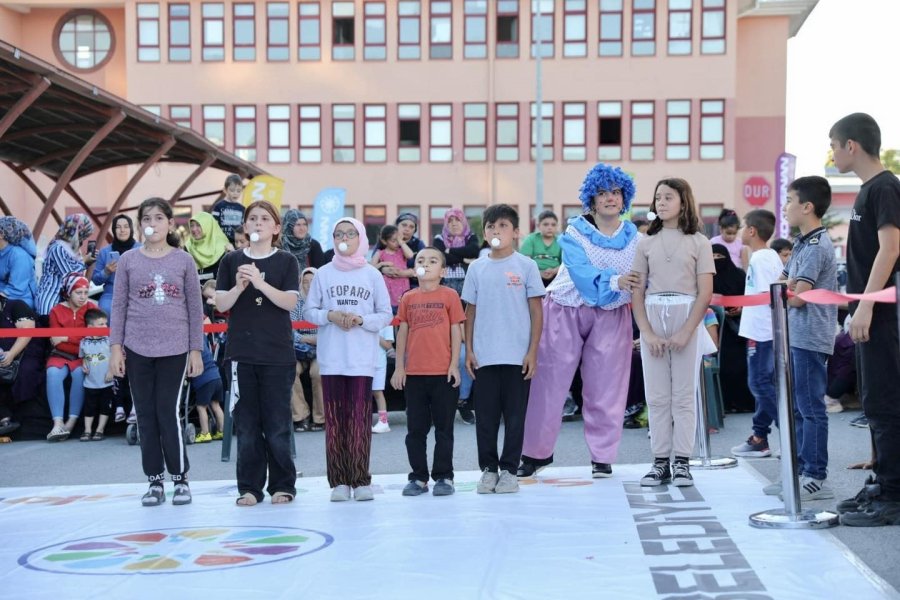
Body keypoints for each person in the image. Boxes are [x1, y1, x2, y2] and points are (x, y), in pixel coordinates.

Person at [518, 164, 639, 480]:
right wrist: (617, 280)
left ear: (624, 197)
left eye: (615, 192)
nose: (610, 198)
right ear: (592, 199)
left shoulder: (635, 238)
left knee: (607, 385)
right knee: (548, 384)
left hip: (613, 315)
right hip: (565, 309)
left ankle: (602, 456)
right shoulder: (574, 233)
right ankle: (536, 453)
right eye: (602, 193)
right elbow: (582, 275)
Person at [827, 113, 900, 526]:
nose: (833, 152)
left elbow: (890, 249)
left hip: (883, 314)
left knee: (886, 400)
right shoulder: (867, 190)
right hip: (868, 312)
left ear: (851, 145)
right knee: (873, 399)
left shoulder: (886, 187)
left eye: (834, 144)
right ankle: (882, 477)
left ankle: (892, 495)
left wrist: (867, 305)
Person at [109, 197, 205, 508]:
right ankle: (154, 481)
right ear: (140, 225)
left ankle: (180, 478)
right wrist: (115, 350)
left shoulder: (183, 261)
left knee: (167, 412)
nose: (153, 223)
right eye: (147, 218)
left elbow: (194, 308)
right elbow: (119, 307)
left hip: (175, 348)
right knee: (145, 416)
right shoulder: (128, 262)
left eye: (159, 218)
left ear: (169, 223)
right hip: (137, 348)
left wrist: (195, 350)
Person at [216, 200, 300, 506]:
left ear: (276, 228)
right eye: (253, 219)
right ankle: (249, 487)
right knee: (247, 424)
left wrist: (261, 283)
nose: (258, 223)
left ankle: (283, 485)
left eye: (265, 219)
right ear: (245, 226)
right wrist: (239, 287)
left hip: (277, 353)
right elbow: (221, 304)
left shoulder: (286, 261)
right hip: (241, 353)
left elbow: (289, 303)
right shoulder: (231, 261)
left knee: (277, 424)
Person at [632, 178, 715, 487]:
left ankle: (682, 461)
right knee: (656, 396)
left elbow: (705, 292)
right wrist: (647, 332)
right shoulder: (645, 242)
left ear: (684, 201)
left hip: (687, 316)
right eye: (658, 197)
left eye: (669, 197)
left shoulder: (699, 242)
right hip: (653, 316)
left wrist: (687, 330)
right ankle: (659, 462)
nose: (662, 202)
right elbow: (637, 292)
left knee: (683, 394)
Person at [304, 218, 393, 502]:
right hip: (331, 357)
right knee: (334, 420)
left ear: (361, 237)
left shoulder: (371, 275)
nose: (344, 238)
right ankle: (339, 481)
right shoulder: (323, 274)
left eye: (350, 233)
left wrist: (360, 320)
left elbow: (385, 314)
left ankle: (360, 478)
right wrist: (330, 316)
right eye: (339, 233)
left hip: (361, 358)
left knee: (358, 420)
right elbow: (309, 311)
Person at [462, 204, 544, 495]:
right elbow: (469, 312)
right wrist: (469, 350)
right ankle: (488, 469)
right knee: (484, 417)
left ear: (516, 231)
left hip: (517, 356)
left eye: (502, 226)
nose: (496, 231)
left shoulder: (526, 266)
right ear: (484, 232)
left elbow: (536, 311)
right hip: (484, 356)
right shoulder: (476, 267)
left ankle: (509, 470)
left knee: (515, 417)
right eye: (490, 227)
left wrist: (533, 351)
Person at [774, 175, 838, 502]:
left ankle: (815, 475)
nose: (785, 207)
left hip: (810, 335)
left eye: (789, 201)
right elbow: (781, 283)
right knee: (799, 408)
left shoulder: (815, 245)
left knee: (811, 408)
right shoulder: (801, 243)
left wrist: (788, 289)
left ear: (807, 206)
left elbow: (797, 297)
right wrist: (788, 288)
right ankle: (799, 472)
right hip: (797, 334)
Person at [392, 247, 465, 496]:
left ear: (442, 271)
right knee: (415, 431)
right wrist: (400, 367)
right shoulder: (408, 298)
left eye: (433, 261)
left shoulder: (451, 295)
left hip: (443, 374)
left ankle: (444, 476)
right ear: (415, 268)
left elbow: (456, 331)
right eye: (421, 260)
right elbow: (402, 332)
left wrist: (454, 364)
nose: (426, 264)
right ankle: (418, 477)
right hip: (415, 375)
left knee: (444, 430)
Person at [730, 210, 785, 460]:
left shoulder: (760, 258)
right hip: (763, 328)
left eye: (743, 226)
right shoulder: (768, 256)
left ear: (752, 231)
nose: (741, 231)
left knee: (759, 383)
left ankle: (788, 431)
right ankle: (759, 437)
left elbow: (767, 296)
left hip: (762, 331)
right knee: (765, 384)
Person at [45, 274, 97, 441]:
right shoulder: (56, 311)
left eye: (85, 292)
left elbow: (93, 338)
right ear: (68, 293)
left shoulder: (92, 309)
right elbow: (56, 343)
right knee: (52, 373)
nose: (83, 297)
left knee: (79, 374)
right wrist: (79, 339)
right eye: (78, 292)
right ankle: (58, 424)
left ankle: (71, 421)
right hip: (60, 355)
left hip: (85, 356)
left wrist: (67, 337)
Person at [711, 243, 755, 413]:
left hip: (737, 329)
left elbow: (749, 297)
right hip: (715, 328)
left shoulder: (738, 275)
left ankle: (743, 402)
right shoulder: (705, 277)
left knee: (740, 365)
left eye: (719, 258)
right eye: (712, 258)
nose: (716, 261)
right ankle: (724, 403)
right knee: (723, 365)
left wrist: (740, 309)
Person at [0, 292, 42, 437]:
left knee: (25, 372)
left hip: (25, 351)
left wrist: (11, 354)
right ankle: (4, 419)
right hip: (2, 355)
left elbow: (27, 331)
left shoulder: (16, 305)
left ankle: (10, 418)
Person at [35, 213, 93, 319]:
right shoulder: (58, 248)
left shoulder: (71, 249)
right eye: (82, 234)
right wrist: (84, 261)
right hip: (50, 300)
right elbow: (69, 274)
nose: (82, 239)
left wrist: (86, 262)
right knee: (48, 333)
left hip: (64, 301)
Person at [290, 267, 325, 432]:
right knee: (290, 371)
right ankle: (300, 416)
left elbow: (328, 328)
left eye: (312, 281)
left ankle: (320, 418)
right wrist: (303, 339)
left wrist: (316, 340)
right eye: (305, 281)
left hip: (321, 347)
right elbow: (290, 328)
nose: (308, 285)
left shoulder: (325, 301)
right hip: (300, 347)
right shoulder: (297, 302)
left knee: (317, 373)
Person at [92, 215, 141, 318]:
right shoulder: (105, 252)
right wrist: (106, 272)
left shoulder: (141, 249)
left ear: (131, 229)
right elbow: (96, 280)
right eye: (118, 227)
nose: (122, 230)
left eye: (126, 226)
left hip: (136, 293)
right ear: (114, 230)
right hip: (111, 294)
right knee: (105, 309)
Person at [79, 308, 113, 441]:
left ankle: (100, 429)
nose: (105, 326)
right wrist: (84, 365)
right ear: (90, 327)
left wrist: (111, 371)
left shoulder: (109, 340)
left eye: (106, 323)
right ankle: (87, 430)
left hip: (106, 381)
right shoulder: (84, 342)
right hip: (90, 382)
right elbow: (84, 357)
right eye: (101, 324)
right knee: (89, 407)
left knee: (105, 406)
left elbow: (114, 356)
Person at [433, 208, 480, 296]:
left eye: (458, 220)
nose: (454, 224)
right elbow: (441, 258)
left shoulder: (470, 237)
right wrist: (464, 259)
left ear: (464, 222)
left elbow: (473, 251)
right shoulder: (439, 239)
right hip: (444, 282)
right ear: (446, 224)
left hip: (467, 282)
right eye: (450, 221)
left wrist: (450, 250)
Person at [191, 337, 225, 443]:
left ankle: (205, 433)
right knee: (216, 405)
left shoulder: (191, 345)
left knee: (201, 407)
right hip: (216, 376)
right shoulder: (202, 337)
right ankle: (221, 432)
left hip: (204, 379)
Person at [371, 224, 412, 313]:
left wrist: (401, 242)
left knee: (403, 311)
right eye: (394, 240)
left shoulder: (401, 251)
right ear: (384, 241)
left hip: (402, 286)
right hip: (388, 287)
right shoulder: (380, 253)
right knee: (389, 312)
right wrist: (382, 263)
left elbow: (410, 255)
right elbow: (371, 268)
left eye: (398, 240)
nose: (397, 243)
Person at [0, 216, 38, 309]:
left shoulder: (19, 255)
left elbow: (17, 289)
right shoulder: (2, 252)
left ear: (1, 234)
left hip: (21, 302)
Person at [186, 212, 232, 285]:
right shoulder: (187, 247)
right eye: (192, 226)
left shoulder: (224, 247)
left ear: (208, 226)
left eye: (198, 225)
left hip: (217, 293)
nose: (194, 229)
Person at [519, 210, 562, 287]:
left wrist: (554, 271)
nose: (550, 227)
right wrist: (538, 272)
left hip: (556, 276)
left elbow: (565, 263)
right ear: (538, 226)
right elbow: (525, 260)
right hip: (533, 275)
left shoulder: (560, 241)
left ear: (557, 226)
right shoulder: (531, 239)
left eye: (553, 225)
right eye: (546, 224)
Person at [371, 325, 394, 433]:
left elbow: (388, 345)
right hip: (362, 362)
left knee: (377, 391)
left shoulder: (387, 323)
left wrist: (374, 333)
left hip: (378, 363)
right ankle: (361, 420)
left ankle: (383, 422)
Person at [210, 174, 246, 244]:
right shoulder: (218, 206)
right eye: (232, 190)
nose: (235, 193)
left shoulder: (242, 208)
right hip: (221, 242)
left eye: (238, 191)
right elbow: (213, 226)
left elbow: (244, 228)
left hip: (237, 243)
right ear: (225, 190)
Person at [395, 212, 427, 288]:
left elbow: (425, 265)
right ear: (397, 226)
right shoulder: (387, 240)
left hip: (413, 286)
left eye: (411, 227)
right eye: (404, 225)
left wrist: (405, 273)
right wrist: (384, 269)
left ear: (414, 230)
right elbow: (374, 265)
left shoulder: (418, 244)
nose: (407, 229)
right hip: (388, 285)